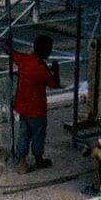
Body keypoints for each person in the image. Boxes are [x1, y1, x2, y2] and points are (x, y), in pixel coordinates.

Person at [7, 33, 61, 173]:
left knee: (23, 134)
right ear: (46, 51)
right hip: (37, 109)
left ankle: (22, 163)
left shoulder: (25, 60)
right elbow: (54, 84)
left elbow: (13, 54)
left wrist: (6, 45)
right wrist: (56, 70)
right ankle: (38, 158)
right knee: (38, 134)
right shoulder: (42, 68)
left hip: (22, 106)